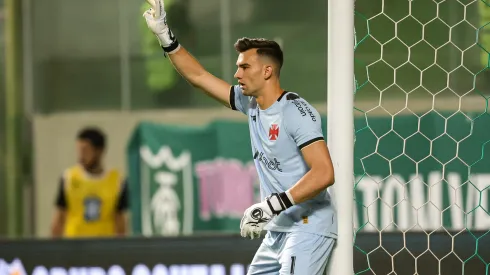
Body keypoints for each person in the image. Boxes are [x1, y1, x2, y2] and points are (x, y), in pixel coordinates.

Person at [143, 1, 337, 274]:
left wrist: (272, 205)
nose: (237, 74)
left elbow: (324, 173)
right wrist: (165, 36)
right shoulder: (252, 104)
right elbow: (199, 76)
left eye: (244, 67)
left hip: (308, 227)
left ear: (267, 71)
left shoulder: (295, 111)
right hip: (277, 230)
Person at [50, 127, 129, 238]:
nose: (81, 156)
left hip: (103, 246)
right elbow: (59, 218)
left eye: (85, 151)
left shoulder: (117, 181)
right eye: (79, 150)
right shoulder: (69, 178)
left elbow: (120, 220)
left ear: (99, 151)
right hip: (74, 246)